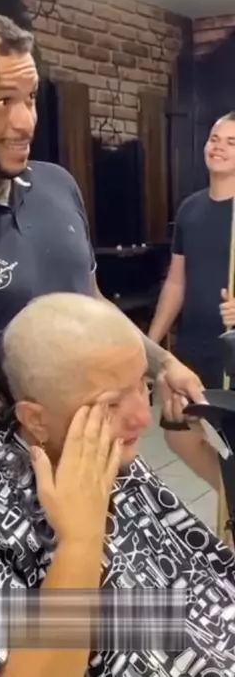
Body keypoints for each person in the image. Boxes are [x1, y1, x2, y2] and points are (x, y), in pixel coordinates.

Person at [0, 9, 204, 444]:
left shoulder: (57, 185)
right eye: (2, 102)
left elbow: (90, 300)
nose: (25, 122)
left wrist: (163, 364)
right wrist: (48, 402)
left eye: (29, 98)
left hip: (93, 451)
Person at [0, 294, 235, 677]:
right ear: (35, 419)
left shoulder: (99, 452)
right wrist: (80, 542)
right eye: (110, 405)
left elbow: (174, 596)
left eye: (143, 385)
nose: (142, 417)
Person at [148, 114, 235, 487]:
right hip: (193, 346)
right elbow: (176, 283)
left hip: (230, 350)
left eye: (232, 143)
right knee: (179, 432)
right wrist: (150, 344)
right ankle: (231, 496)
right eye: (215, 139)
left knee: (230, 439)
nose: (219, 147)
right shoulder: (190, 209)